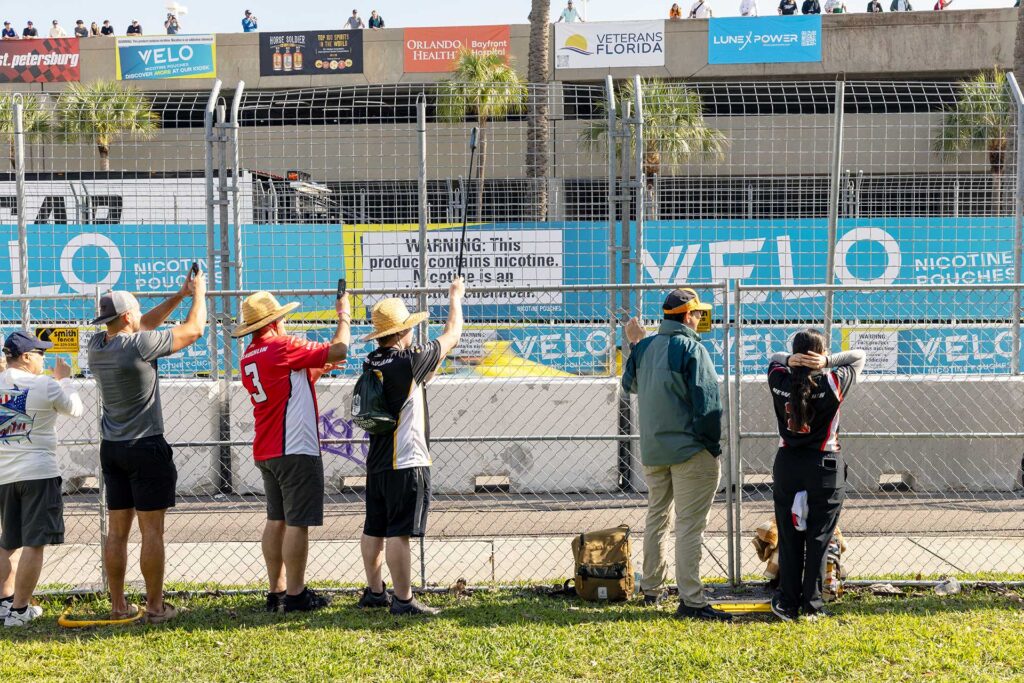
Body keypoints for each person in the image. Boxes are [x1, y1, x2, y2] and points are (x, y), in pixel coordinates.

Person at [87, 272, 207, 625]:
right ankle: (155, 606)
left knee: (117, 531)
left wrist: (177, 296)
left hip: (113, 449)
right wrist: (198, 295)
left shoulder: (97, 346)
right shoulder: (138, 346)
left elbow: (144, 323)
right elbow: (194, 329)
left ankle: (118, 604)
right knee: (151, 531)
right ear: (127, 318)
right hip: (146, 447)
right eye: (135, 313)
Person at [232, 291, 351, 614]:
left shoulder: (250, 355)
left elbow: (285, 381)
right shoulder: (282, 346)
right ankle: (297, 595)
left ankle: (278, 591)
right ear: (274, 321)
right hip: (295, 446)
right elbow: (341, 347)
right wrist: (344, 316)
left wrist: (319, 368)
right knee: (298, 522)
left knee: (276, 519)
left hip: (267, 446)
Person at [621, 289, 731, 622]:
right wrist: (711, 447)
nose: (700, 319)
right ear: (688, 316)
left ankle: (652, 589)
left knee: (657, 519)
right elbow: (709, 406)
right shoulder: (692, 348)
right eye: (698, 314)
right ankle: (692, 600)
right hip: (690, 453)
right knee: (689, 527)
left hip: (654, 452)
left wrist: (636, 345)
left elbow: (631, 386)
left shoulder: (645, 348)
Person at [357, 278, 465, 617]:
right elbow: (453, 336)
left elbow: (414, 384)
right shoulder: (408, 361)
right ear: (403, 331)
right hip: (406, 460)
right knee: (399, 534)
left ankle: (375, 592)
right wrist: (455, 298)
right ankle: (403, 601)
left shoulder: (372, 361)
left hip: (376, 462)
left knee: (374, 527)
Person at [766, 331, 865, 622]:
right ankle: (812, 605)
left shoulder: (779, 377)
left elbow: (772, 359)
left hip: (788, 464)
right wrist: (827, 361)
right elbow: (860, 357)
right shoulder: (832, 381)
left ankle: (787, 601)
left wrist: (789, 360)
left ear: (795, 355)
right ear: (820, 355)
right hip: (825, 465)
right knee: (819, 537)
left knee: (789, 535)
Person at [0, 333, 83, 627]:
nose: (43, 359)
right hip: (38, 472)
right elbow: (74, 408)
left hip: (4, 474)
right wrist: (63, 379)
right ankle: (20, 611)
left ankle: (5, 603)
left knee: (8, 541)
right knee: (35, 542)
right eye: (39, 354)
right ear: (25, 357)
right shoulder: (44, 384)